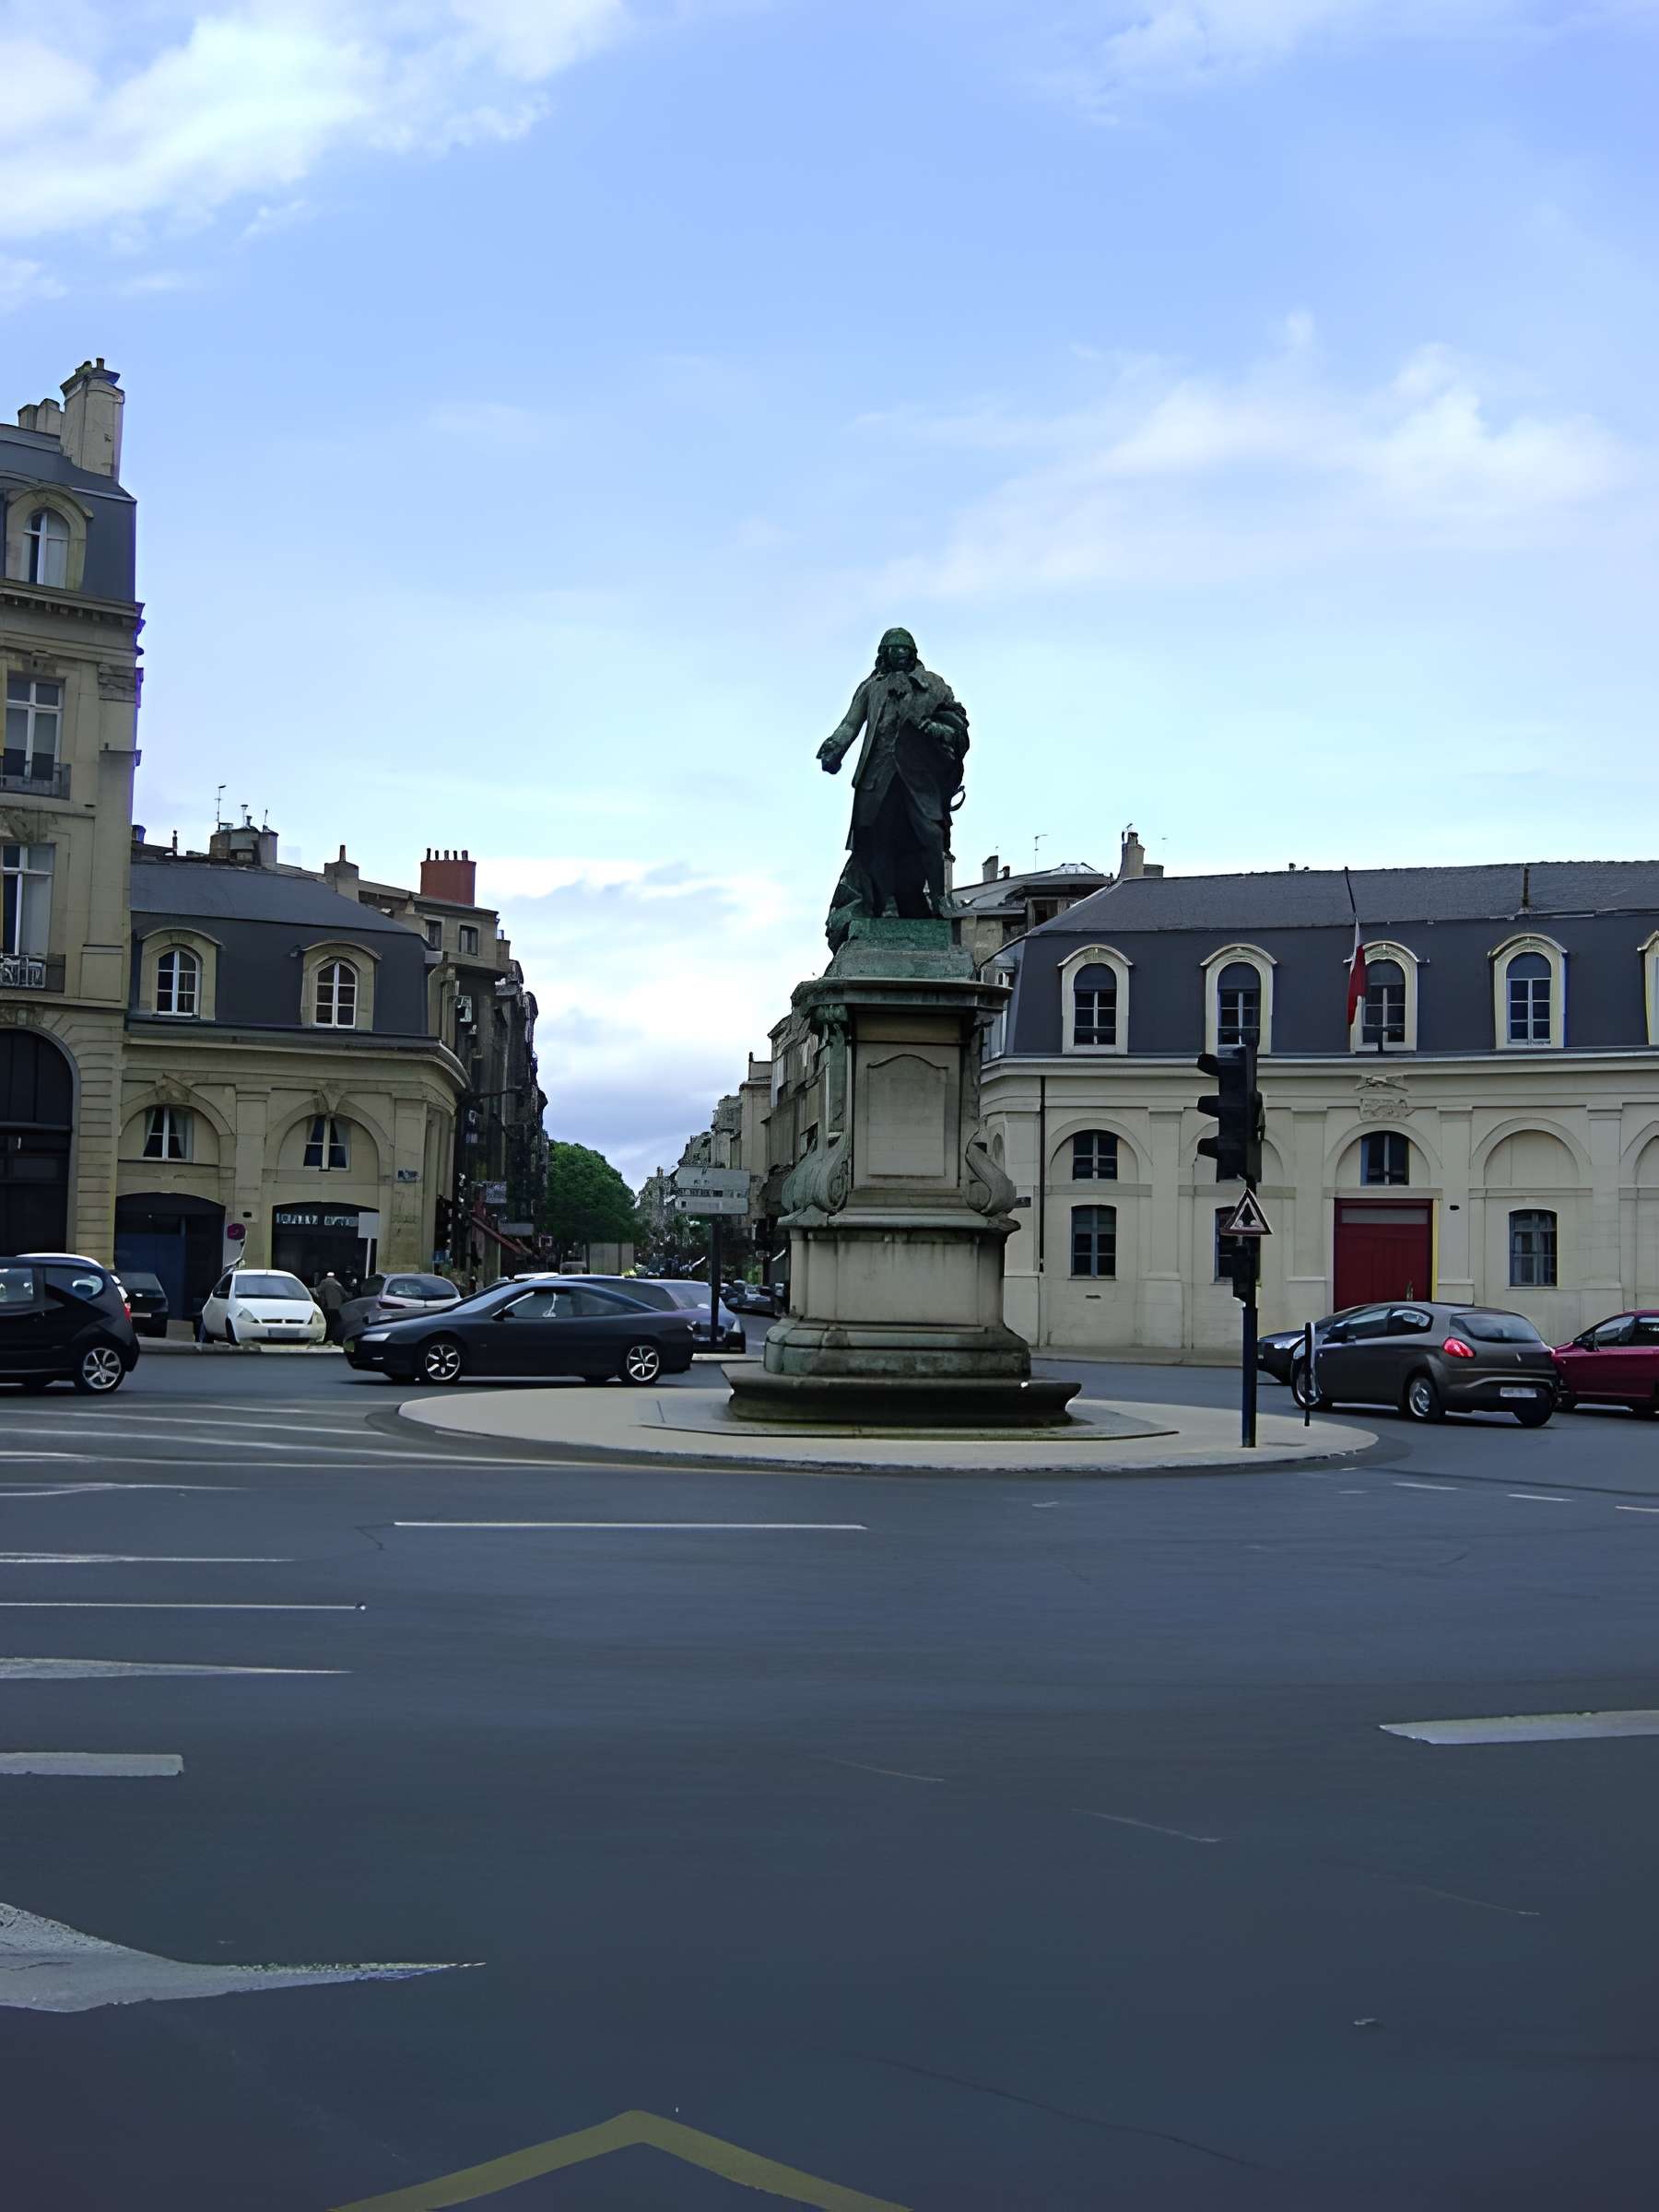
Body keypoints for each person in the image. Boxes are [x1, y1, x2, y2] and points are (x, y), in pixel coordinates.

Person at [818, 627, 969, 947]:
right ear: (883, 654)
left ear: (913, 653)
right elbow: (850, 724)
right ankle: (880, 904)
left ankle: (940, 899)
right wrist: (835, 747)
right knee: (876, 841)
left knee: (931, 834)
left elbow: (958, 723)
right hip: (878, 774)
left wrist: (935, 729)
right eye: (893, 648)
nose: (899, 653)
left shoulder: (934, 685)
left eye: (904, 648)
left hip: (919, 776)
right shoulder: (871, 687)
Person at [316, 1268, 347, 1342]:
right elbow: (344, 1294)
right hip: (337, 1308)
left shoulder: (324, 1282)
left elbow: (318, 1290)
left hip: (328, 1308)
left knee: (328, 1323)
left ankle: (326, 1339)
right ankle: (335, 1339)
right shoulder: (337, 1283)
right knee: (336, 1324)